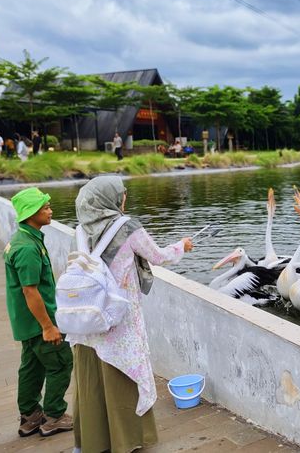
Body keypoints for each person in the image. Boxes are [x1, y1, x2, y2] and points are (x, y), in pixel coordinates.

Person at [70, 176, 193, 452]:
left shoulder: (79, 231)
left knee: (91, 383)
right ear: (112, 198)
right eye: (122, 194)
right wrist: (181, 246)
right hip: (119, 319)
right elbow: (159, 256)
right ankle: (125, 440)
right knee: (122, 376)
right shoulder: (127, 227)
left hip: (87, 320)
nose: (124, 198)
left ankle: (92, 441)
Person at [4, 187, 74, 438]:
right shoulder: (27, 248)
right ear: (32, 213)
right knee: (60, 363)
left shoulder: (25, 239)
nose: (50, 210)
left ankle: (30, 416)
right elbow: (30, 291)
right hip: (37, 322)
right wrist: (48, 326)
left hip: (27, 322)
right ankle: (54, 416)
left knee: (31, 367)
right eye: (45, 207)